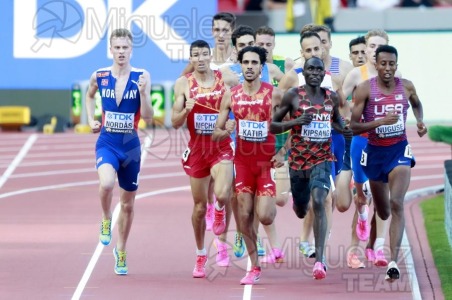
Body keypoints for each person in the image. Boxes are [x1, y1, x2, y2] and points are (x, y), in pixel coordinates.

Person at [350, 45, 427, 281]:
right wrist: (379, 122)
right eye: (383, 63)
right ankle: (371, 231)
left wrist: (420, 121)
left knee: (396, 203)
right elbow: (353, 126)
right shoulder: (365, 89)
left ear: (396, 64)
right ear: (376, 63)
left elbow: (416, 103)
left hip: (399, 150)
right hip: (375, 154)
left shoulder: (406, 86)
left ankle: (393, 261)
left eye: (391, 64)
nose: (387, 68)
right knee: (382, 211)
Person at [270, 56, 348, 280]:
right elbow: (274, 125)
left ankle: (320, 260)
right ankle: (298, 203)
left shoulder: (331, 97)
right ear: (304, 72)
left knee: (320, 200)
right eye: (310, 69)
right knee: (302, 209)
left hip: (322, 159)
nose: (314, 72)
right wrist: (295, 122)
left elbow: (336, 123)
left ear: (324, 73)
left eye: (318, 69)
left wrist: (345, 130)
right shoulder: (293, 96)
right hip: (298, 162)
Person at [85, 28, 154, 275]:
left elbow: (148, 116)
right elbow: (89, 95)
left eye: (125, 47)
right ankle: (105, 218)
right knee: (105, 184)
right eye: (117, 47)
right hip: (107, 142)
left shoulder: (142, 76)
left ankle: (121, 249)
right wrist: (90, 119)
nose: (121, 52)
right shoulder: (100, 75)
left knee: (127, 204)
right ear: (110, 49)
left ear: (131, 49)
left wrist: (144, 93)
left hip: (131, 146)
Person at [213, 46, 283, 285]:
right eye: (246, 62)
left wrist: (284, 151)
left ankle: (261, 244)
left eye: (255, 62)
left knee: (265, 216)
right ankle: (254, 266)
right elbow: (215, 133)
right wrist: (226, 130)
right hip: (242, 163)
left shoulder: (274, 94)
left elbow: (293, 125)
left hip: (265, 163)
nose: (250, 66)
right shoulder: (230, 95)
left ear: (261, 67)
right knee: (243, 215)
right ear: (240, 66)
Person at [171, 40, 235, 278]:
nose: (200, 58)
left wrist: (232, 122)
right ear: (191, 59)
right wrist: (185, 110)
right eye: (195, 55)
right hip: (198, 150)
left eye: (204, 54)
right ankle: (200, 254)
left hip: (221, 145)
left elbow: (241, 101)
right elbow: (174, 122)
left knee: (223, 193)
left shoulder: (224, 78)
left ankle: (219, 210)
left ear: (210, 56)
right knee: (199, 207)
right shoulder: (183, 84)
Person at [340, 29, 402, 267]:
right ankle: (356, 245)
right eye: (372, 45)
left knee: (384, 196)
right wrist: (345, 114)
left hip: (387, 143)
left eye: (380, 45)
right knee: (362, 196)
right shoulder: (357, 75)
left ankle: (377, 248)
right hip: (362, 141)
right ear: (366, 49)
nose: (375, 50)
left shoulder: (396, 77)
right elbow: (339, 99)